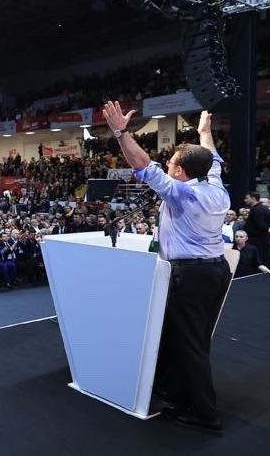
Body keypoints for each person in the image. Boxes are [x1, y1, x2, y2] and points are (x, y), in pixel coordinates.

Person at [103, 101, 230, 434]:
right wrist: (205, 133)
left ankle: (205, 413)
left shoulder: (181, 194)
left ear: (180, 172)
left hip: (190, 275)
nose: (168, 165)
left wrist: (120, 132)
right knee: (192, 339)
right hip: (215, 272)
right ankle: (179, 394)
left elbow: (143, 164)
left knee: (191, 345)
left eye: (172, 163)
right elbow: (211, 156)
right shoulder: (214, 184)